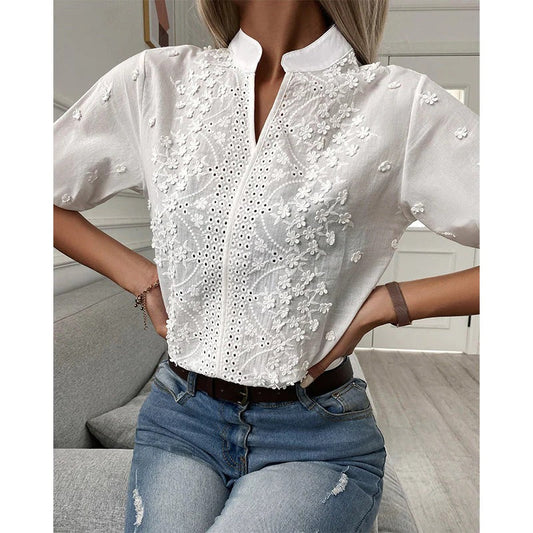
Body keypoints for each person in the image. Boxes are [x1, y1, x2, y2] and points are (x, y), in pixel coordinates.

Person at [53, 0, 479, 531]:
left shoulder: (399, 105)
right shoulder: (156, 82)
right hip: (180, 415)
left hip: (316, 433)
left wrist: (388, 305)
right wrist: (140, 277)